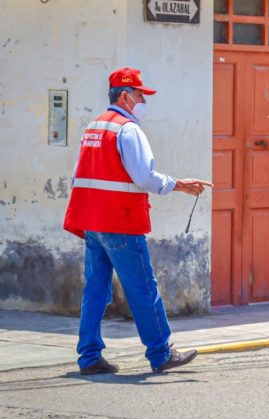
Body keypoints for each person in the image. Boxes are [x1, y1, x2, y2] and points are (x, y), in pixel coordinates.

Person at [63, 67, 213, 375]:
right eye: (141, 95)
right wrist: (181, 185)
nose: (144, 101)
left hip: (93, 222)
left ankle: (89, 357)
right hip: (120, 221)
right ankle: (161, 353)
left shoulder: (94, 127)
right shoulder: (127, 130)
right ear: (126, 96)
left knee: (95, 289)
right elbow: (143, 176)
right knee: (144, 288)